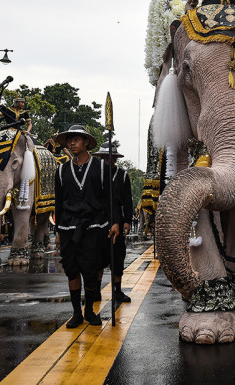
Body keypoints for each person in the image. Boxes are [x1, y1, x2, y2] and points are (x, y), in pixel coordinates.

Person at [54, 125, 111, 328]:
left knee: (90, 270)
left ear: (86, 142)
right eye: (70, 139)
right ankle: (76, 313)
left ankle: (89, 310)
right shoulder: (61, 171)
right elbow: (58, 203)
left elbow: (108, 199)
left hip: (93, 226)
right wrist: (58, 230)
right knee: (72, 270)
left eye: (76, 139)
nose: (72, 143)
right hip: (68, 227)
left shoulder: (101, 168)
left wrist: (113, 223)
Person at [92, 141, 134, 304]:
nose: (105, 161)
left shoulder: (123, 175)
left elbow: (127, 201)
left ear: (114, 159)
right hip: (98, 220)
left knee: (117, 258)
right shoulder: (95, 175)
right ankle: (95, 290)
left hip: (117, 217)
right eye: (103, 158)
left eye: (108, 158)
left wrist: (127, 221)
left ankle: (117, 291)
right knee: (97, 258)